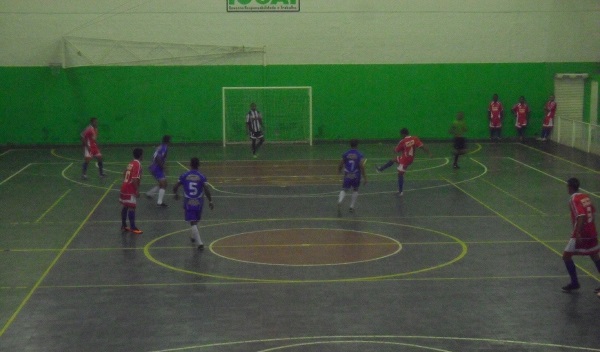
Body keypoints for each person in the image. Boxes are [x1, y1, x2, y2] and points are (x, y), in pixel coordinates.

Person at [561, 177, 600, 294]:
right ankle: (574, 283)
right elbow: (592, 211)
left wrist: (577, 232)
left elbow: (581, 215)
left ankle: (574, 282)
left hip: (582, 233)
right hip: (592, 231)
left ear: (570, 187)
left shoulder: (573, 199)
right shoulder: (585, 197)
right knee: (594, 256)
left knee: (566, 256)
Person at [173, 157, 214, 250]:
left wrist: (175, 194)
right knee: (195, 220)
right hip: (199, 202)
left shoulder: (184, 175)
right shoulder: (201, 176)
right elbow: (206, 189)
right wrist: (210, 201)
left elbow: (175, 186)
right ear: (199, 165)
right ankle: (194, 237)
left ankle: (200, 243)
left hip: (189, 201)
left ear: (190, 165)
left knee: (193, 222)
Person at [376, 128, 431, 196]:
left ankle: (400, 192)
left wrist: (393, 149)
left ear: (403, 134)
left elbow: (396, 150)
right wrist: (429, 153)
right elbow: (422, 147)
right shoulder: (414, 138)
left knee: (400, 174)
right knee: (394, 159)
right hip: (410, 159)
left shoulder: (403, 141)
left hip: (405, 160)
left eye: (401, 135)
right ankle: (381, 169)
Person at [337, 139, 367, 213]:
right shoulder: (359, 154)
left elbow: (341, 163)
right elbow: (361, 166)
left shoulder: (346, 154)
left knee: (344, 189)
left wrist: (339, 170)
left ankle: (340, 200)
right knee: (355, 189)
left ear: (350, 145)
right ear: (357, 145)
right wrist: (365, 177)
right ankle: (351, 206)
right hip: (356, 174)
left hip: (347, 174)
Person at [119, 148, 144, 235]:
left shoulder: (131, 163)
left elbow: (124, 173)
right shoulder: (138, 164)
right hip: (130, 188)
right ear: (141, 155)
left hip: (124, 186)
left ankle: (124, 225)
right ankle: (133, 227)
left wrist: (126, 181)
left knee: (125, 206)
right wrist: (136, 190)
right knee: (132, 207)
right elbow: (134, 179)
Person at [146, 135, 171, 207]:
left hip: (154, 167)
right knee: (164, 184)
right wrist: (163, 167)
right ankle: (159, 202)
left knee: (164, 183)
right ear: (168, 141)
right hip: (156, 168)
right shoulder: (164, 148)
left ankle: (150, 193)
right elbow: (158, 158)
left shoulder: (160, 146)